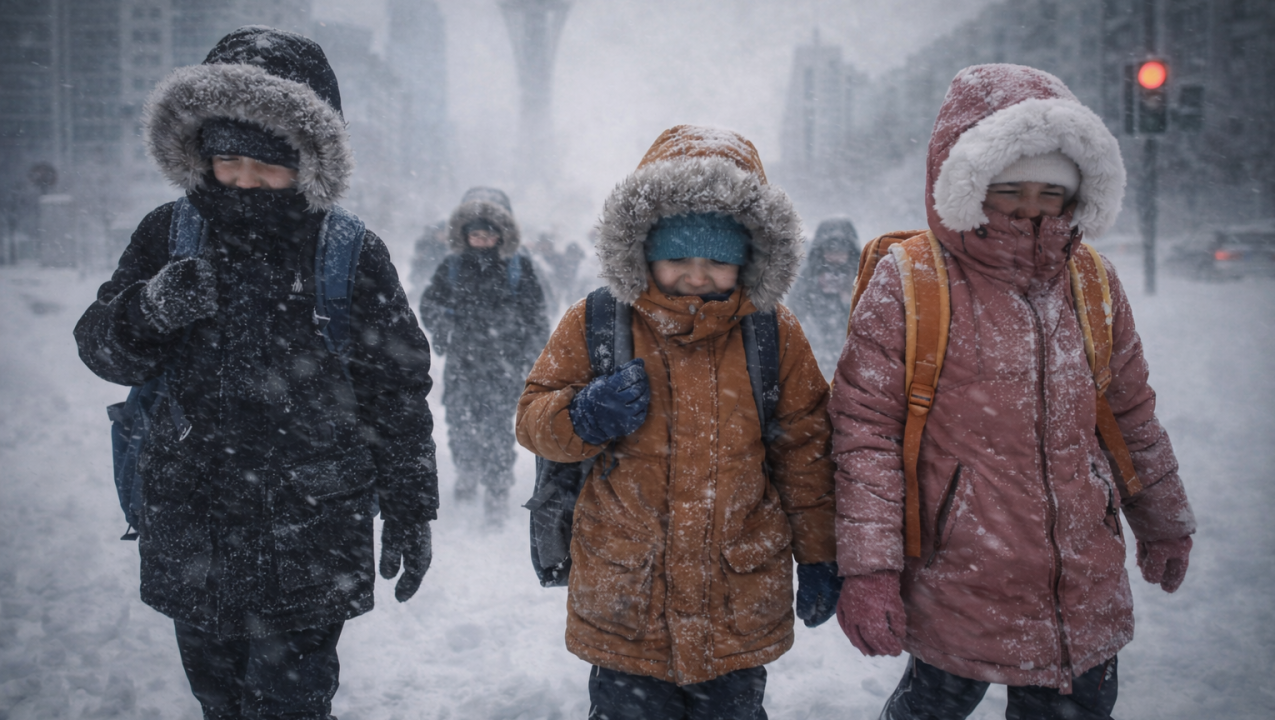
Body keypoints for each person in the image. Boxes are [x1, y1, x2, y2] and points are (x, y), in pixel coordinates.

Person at [73, 26, 438, 720]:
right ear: (201, 150)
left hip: (311, 536)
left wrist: (412, 508)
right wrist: (150, 311)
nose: (243, 180)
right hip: (193, 530)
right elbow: (101, 349)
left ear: (307, 160)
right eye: (228, 158)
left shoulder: (349, 252)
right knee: (218, 699)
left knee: (293, 702)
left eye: (268, 164)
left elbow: (396, 393)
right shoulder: (167, 234)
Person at [829, 64, 1196, 719]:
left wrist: (1163, 522)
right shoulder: (912, 283)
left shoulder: (1091, 283)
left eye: (1051, 190)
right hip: (959, 576)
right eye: (1009, 188)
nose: (1031, 207)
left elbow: (1129, 414)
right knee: (931, 704)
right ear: (969, 184)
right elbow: (865, 436)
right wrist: (869, 572)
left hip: (1080, 578)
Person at [516, 125, 842, 719]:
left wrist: (820, 553)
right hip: (627, 597)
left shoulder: (773, 333)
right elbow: (533, 419)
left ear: (750, 258)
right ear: (643, 252)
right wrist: (582, 414)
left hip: (735, 597)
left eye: (717, 260)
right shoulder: (598, 321)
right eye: (677, 258)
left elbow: (805, 452)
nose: (696, 276)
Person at [419, 187, 548, 524]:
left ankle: (496, 488)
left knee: (495, 429)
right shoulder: (451, 266)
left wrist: (528, 356)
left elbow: (537, 316)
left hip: (502, 367)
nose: (481, 240)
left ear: (501, 234)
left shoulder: (518, 269)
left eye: (488, 234)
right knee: (459, 423)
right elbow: (430, 303)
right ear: (464, 235)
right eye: (474, 234)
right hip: (462, 363)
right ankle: (466, 469)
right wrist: (444, 332)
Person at [787, 217, 860, 378]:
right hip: (814, 354)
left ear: (850, 252)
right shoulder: (809, 278)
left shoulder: (860, 277)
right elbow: (793, 314)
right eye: (830, 250)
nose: (835, 256)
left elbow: (870, 322)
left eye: (841, 250)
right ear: (821, 251)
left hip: (850, 357)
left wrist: (848, 298)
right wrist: (815, 291)